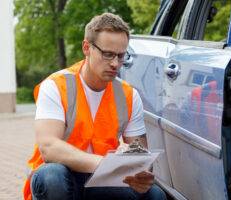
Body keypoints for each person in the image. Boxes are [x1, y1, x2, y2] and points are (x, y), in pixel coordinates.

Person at [23, 13, 167, 200]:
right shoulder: (56, 86)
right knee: (52, 176)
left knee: (155, 195)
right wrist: (105, 163)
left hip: (102, 181)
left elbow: (141, 154)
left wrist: (139, 170)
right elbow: (49, 147)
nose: (115, 63)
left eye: (121, 55)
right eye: (107, 54)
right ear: (87, 48)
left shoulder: (129, 95)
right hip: (61, 178)